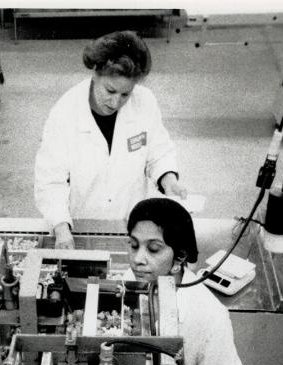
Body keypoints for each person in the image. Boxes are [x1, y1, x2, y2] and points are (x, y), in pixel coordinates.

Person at [34, 31, 187, 249]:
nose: (115, 102)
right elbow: (50, 181)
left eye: (125, 94)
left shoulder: (145, 102)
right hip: (81, 226)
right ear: (96, 73)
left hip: (132, 225)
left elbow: (159, 153)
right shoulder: (65, 113)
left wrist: (169, 180)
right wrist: (61, 228)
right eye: (110, 90)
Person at [126, 197, 242, 365]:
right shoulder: (125, 286)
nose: (137, 259)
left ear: (179, 258)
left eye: (153, 249)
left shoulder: (207, 312)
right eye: (133, 245)